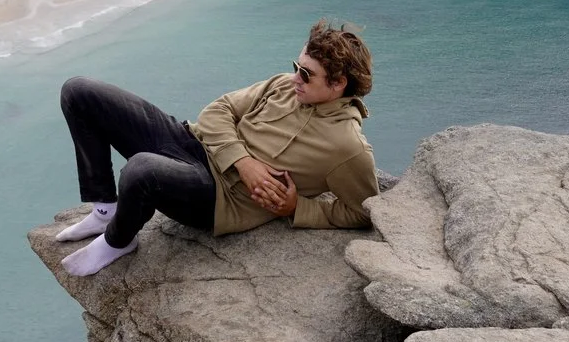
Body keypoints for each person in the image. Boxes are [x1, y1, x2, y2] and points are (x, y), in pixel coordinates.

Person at [52, 20, 378, 275]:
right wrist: (244, 161)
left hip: (218, 198)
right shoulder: (284, 85)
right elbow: (217, 110)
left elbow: (363, 211)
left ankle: (119, 240)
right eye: (297, 66)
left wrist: (297, 208)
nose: (295, 78)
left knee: (141, 171)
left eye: (306, 75)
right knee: (79, 92)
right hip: (194, 145)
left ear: (338, 85)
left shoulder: (347, 146)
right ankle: (105, 211)